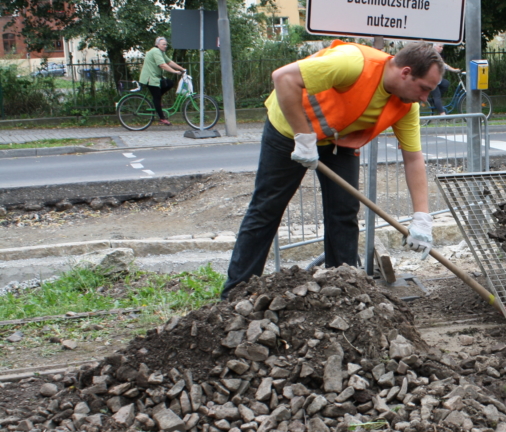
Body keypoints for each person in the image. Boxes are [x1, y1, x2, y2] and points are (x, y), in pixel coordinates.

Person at [222, 40, 444, 297]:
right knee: (267, 209)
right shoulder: (353, 63)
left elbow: (413, 158)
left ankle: (345, 291)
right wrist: (303, 138)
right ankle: (235, 294)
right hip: (289, 130)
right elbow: (283, 78)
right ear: (405, 72)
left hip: (339, 141)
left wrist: (422, 218)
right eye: (424, 88)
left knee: (344, 211)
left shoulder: (406, 105)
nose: (425, 98)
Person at [139, 37, 185, 126]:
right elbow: (162, 65)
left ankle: (158, 101)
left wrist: (182, 69)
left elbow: (169, 62)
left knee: (170, 83)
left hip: (156, 77)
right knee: (156, 97)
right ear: (157, 45)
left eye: (166, 44)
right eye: (163, 44)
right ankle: (162, 118)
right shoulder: (155, 51)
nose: (165, 46)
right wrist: (175, 72)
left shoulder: (161, 52)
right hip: (150, 78)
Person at [425, 43, 461, 114]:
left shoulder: (437, 54)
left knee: (446, 84)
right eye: (440, 46)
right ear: (435, 46)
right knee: (437, 95)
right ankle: (442, 114)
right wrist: (454, 70)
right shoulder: (432, 54)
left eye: (442, 47)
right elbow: (443, 65)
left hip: (437, 79)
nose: (442, 48)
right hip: (431, 80)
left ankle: (432, 101)